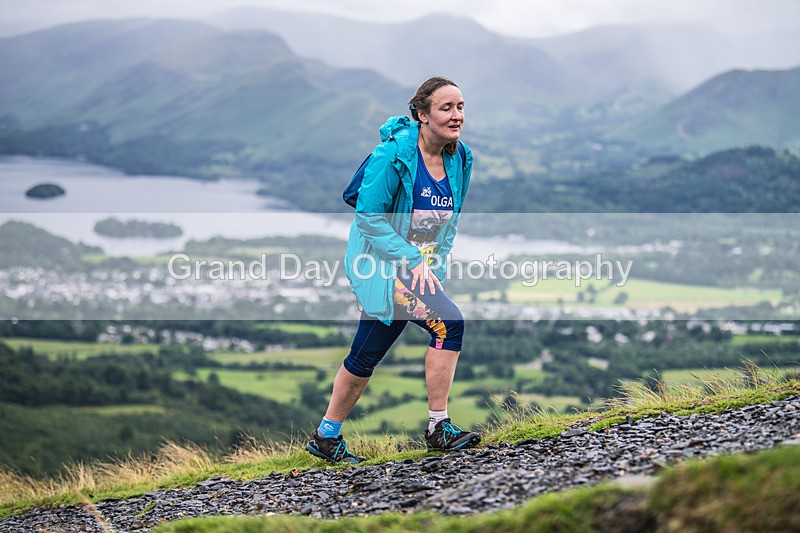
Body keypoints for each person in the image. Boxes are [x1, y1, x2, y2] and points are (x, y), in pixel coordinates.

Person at [306, 76, 479, 464]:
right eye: (446, 108)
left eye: (461, 107)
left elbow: (450, 220)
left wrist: (432, 264)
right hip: (381, 266)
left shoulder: (461, 157)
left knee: (367, 352)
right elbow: (369, 217)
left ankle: (325, 436)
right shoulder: (392, 155)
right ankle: (438, 426)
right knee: (449, 323)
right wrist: (412, 258)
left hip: (418, 270)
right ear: (422, 114)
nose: (457, 116)